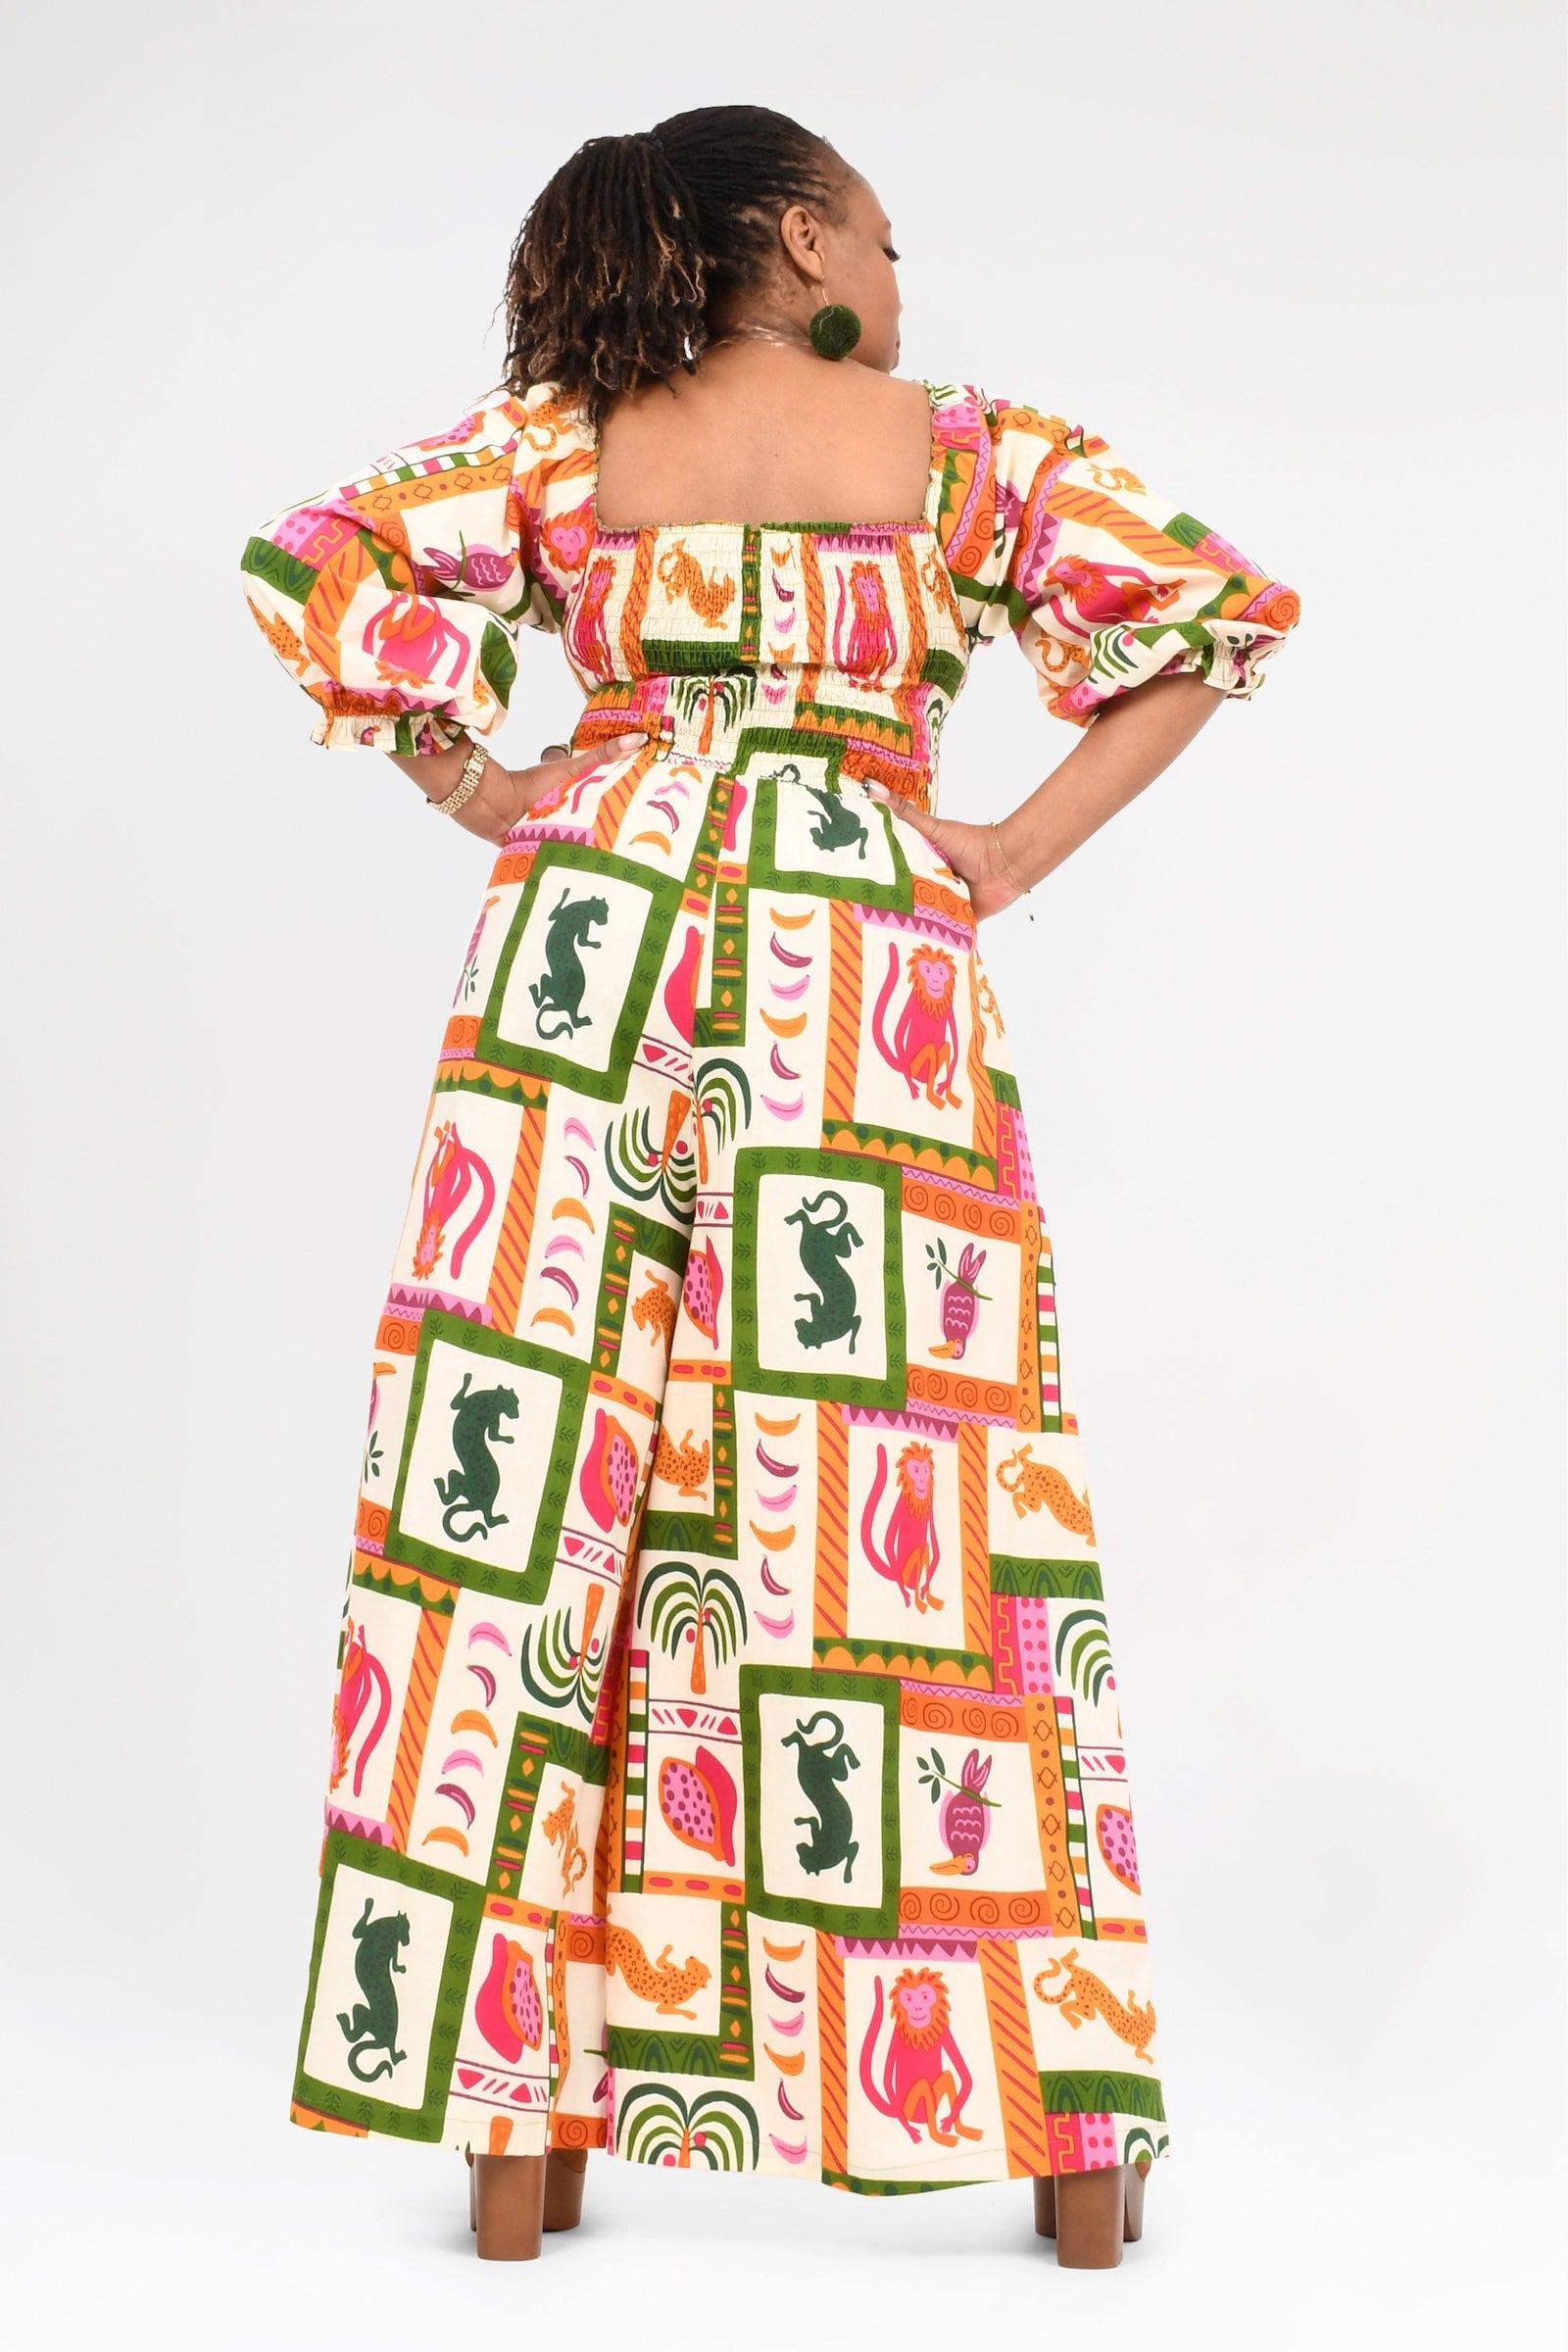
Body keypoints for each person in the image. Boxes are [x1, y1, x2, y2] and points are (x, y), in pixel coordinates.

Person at [241, 103, 1298, 2269]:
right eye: (885, 240)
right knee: (914, 1493)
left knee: (525, 1502)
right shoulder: (965, 451)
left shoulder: (563, 443)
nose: (899, 282)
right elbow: (1211, 616)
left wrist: (489, 790)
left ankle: (514, 2110)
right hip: (857, 964)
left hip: (582, 951)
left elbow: (313, 561)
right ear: (804, 237)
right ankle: (1045, 2109)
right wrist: (998, 850)